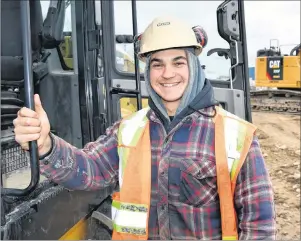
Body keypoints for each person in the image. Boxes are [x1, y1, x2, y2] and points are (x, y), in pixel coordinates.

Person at [13, 16, 276, 240]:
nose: (167, 73)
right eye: (157, 64)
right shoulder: (130, 130)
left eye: (178, 62)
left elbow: (259, 225)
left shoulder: (235, 136)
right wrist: (46, 145)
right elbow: (88, 170)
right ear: (147, 71)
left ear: (194, 67)